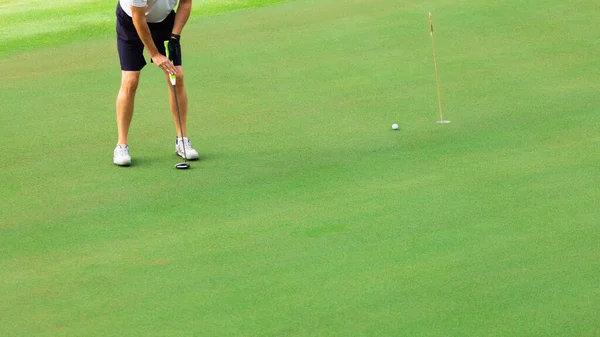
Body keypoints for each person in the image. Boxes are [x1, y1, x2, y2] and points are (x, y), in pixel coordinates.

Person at [114, 0, 199, 166]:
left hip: (164, 22)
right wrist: (154, 54)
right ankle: (121, 145)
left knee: (177, 77)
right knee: (130, 80)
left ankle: (182, 140)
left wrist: (175, 36)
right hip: (131, 23)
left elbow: (186, 3)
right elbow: (138, 19)